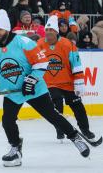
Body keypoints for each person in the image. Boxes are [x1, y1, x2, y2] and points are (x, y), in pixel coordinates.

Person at [0, 9, 90, 167]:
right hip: (13, 93)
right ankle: (15, 148)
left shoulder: (24, 42)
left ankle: (75, 137)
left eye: (0, 29)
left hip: (34, 89)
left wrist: (31, 80)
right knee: (7, 120)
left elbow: (41, 63)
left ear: (7, 29)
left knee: (52, 115)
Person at [37, 15, 101, 143]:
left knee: (78, 106)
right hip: (50, 83)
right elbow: (33, 62)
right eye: (47, 30)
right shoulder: (39, 44)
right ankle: (60, 129)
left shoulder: (67, 45)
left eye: (51, 31)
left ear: (56, 32)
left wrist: (79, 81)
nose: (49, 33)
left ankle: (85, 130)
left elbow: (76, 64)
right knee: (56, 103)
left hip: (68, 83)